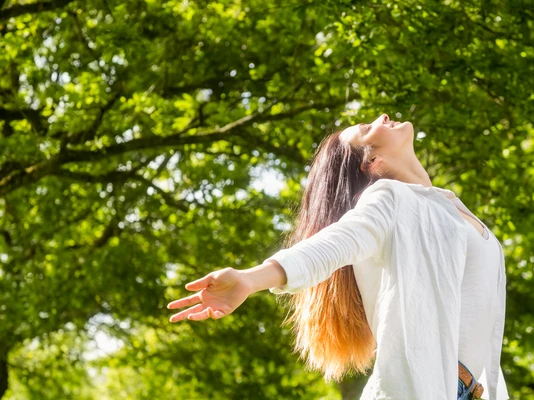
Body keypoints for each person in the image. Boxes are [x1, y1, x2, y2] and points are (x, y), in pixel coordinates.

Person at [166, 114, 509, 399]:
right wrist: (249, 279)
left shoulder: (448, 208)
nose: (382, 117)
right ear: (372, 162)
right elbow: (331, 245)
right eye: (366, 128)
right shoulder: (388, 200)